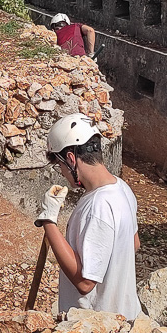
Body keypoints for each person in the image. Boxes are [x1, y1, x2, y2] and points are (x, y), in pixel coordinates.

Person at [35, 113, 142, 320]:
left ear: (71, 159)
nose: (63, 173)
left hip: (96, 325)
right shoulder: (122, 188)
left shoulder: (98, 207)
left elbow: (85, 283)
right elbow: (134, 244)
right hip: (126, 315)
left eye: (60, 166)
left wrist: (48, 220)